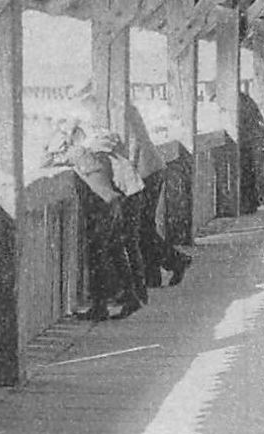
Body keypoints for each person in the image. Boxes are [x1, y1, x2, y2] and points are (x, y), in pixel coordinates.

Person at [43, 117, 142, 321]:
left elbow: (45, 160)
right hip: (113, 202)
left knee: (98, 256)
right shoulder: (93, 152)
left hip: (104, 205)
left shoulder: (78, 153)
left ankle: (100, 307)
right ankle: (131, 297)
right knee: (114, 250)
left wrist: (58, 142)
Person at [122, 100, 192, 289]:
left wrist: (130, 174)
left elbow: (135, 143)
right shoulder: (128, 107)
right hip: (152, 168)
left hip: (145, 171)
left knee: (140, 227)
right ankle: (154, 276)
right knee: (145, 226)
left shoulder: (120, 109)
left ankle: (175, 260)